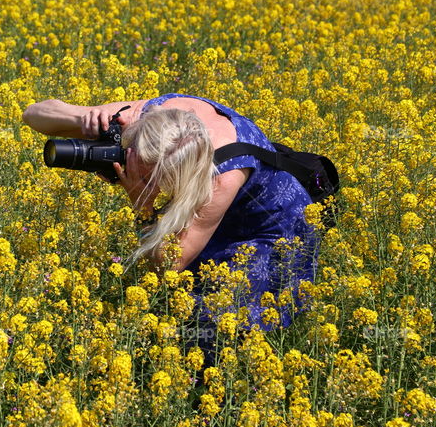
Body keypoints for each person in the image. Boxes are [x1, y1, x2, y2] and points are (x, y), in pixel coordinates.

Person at [21, 93, 321, 373]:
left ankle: (223, 388)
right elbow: (33, 114)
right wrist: (83, 119)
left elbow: (169, 264)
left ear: (178, 176)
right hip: (204, 200)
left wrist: (144, 206)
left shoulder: (223, 175)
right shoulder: (152, 117)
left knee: (221, 324)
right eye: (129, 153)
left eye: (150, 175)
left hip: (268, 226)